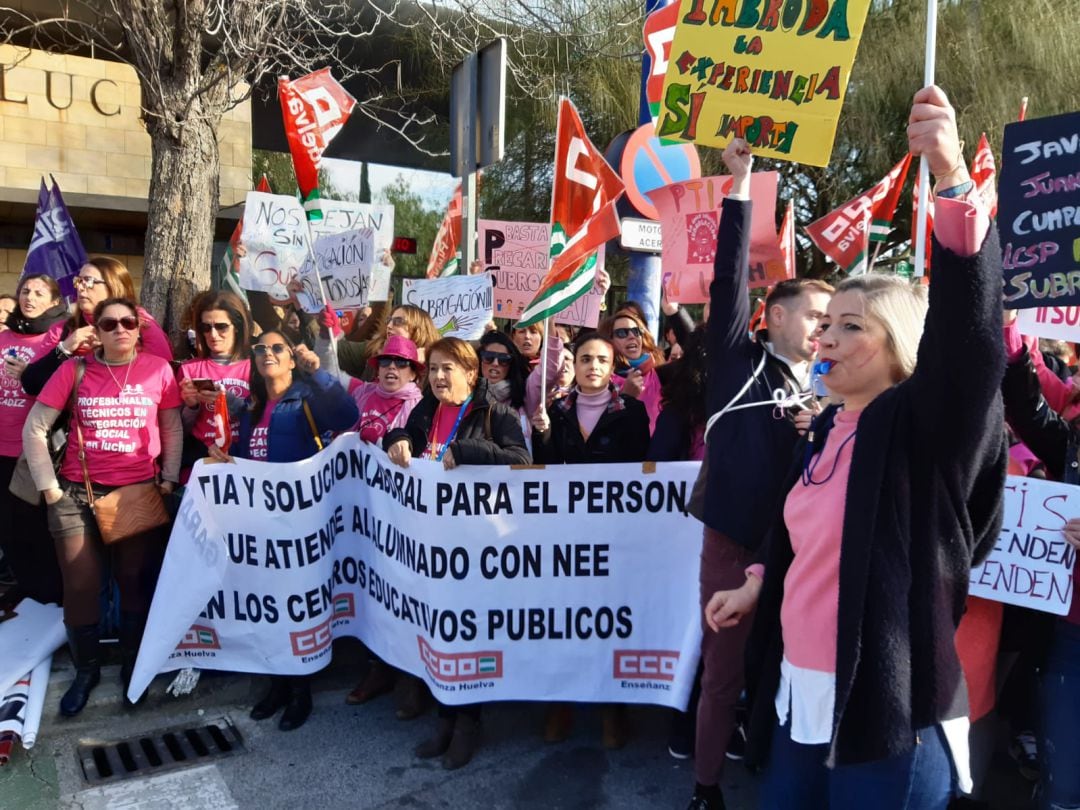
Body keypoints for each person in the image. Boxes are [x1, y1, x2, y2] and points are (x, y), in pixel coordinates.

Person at [704, 87, 1006, 809]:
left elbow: (970, 347)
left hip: (888, 720)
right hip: (798, 705)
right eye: (825, 324)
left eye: (849, 327)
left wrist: (951, 177)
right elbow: (801, 540)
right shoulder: (827, 427)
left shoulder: (919, 431)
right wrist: (755, 581)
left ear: (898, 345)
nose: (824, 339)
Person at [684, 139, 833, 810]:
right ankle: (705, 786)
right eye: (815, 317)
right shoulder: (739, 359)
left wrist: (825, 428)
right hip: (736, 542)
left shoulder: (838, 388)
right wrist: (740, 188)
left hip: (803, 555)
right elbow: (727, 279)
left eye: (836, 322)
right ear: (773, 317)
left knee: (785, 666)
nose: (825, 331)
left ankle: (769, 759)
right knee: (724, 672)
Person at [22, 297, 183, 716]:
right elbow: (35, 428)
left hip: (135, 492)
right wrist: (50, 489)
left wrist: (168, 475)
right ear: (97, 328)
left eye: (128, 322)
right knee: (80, 585)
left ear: (138, 328)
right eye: (109, 323)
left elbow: (170, 425)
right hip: (75, 493)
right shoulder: (76, 369)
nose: (120, 330)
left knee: (132, 580)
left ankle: (133, 664)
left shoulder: (158, 370)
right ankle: (86, 671)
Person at [386, 337, 530, 770]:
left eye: (448, 368)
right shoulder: (425, 410)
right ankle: (445, 718)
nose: (438, 377)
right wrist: (394, 438)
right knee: (439, 633)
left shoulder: (495, 414)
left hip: (475, 549)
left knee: (469, 636)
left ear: (472, 373)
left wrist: (467, 452)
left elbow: (521, 461)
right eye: (432, 369)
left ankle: (468, 723)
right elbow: (402, 439)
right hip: (431, 547)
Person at [215, 330, 358, 731]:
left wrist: (320, 375)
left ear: (291, 358)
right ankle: (277, 684)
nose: (267, 354)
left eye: (277, 348)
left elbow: (347, 416)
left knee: (296, 607)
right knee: (267, 607)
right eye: (259, 349)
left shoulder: (307, 398)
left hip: (299, 524)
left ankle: (300, 691)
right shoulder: (250, 406)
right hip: (258, 524)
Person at [531, 333, 650, 748]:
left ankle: (611, 709)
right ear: (574, 364)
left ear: (612, 364)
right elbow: (543, 468)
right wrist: (542, 434)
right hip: (564, 535)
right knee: (562, 620)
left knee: (607, 622)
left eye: (602, 359)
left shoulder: (632, 411)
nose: (593, 366)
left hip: (613, 536)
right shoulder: (557, 410)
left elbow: (642, 471)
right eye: (585, 359)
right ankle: (559, 703)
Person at [1000, 311, 1080, 810]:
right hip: (1072, 633)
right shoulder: (1071, 429)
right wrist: (1009, 324)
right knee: (1065, 783)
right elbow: (1027, 402)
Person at [342, 335, 425, 708]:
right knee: (371, 588)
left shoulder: (419, 405)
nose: (392, 369)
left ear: (413, 371)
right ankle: (377, 666)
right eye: (385, 362)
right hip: (362, 511)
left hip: (400, 515)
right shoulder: (362, 395)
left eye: (401, 363)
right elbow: (330, 374)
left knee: (401, 591)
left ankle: (408, 671)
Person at [0, 274, 69, 604]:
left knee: (35, 526)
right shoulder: (4, 336)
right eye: (25, 291)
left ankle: (49, 593)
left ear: (55, 302)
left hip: (33, 449)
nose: (29, 297)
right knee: (8, 528)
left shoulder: (58, 335)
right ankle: (25, 587)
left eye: (39, 293)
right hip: (0, 443)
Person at [21, 257, 173, 398]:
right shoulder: (63, 330)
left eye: (88, 281)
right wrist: (65, 348)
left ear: (113, 285)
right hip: (76, 422)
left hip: (130, 418)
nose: (80, 288)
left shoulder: (141, 323)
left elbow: (164, 375)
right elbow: (32, 385)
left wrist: (112, 349)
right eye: (78, 281)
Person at [176, 291, 253, 473]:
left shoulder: (255, 367)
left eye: (221, 327)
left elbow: (265, 420)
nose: (213, 334)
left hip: (245, 460)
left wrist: (229, 402)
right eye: (205, 327)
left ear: (237, 326)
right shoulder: (189, 369)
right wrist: (191, 407)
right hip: (201, 462)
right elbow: (176, 431)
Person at [598, 307, 666, 432]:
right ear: (609, 340)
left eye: (636, 331)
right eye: (622, 333)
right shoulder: (601, 378)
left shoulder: (660, 372)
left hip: (655, 449)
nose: (631, 336)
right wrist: (625, 397)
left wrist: (673, 312)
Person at [338, 303, 440, 382]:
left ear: (418, 329)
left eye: (398, 321)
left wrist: (417, 365)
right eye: (389, 320)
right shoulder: (374, 350)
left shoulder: (434, 364)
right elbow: (334, 352)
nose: (389, 326)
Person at [477, 330, 532, 451]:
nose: (495, 363)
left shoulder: (525, 393)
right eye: (488, 357)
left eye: (503, 359)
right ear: (479, 360)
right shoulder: (466, 396)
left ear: (511, 364)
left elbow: (549, 372)